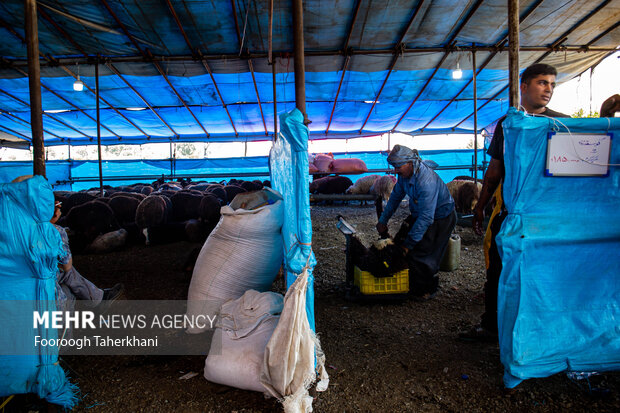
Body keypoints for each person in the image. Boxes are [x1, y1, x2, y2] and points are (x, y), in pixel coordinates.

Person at [459, 63, 569, 342]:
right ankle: (492, 326)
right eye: (542, 83)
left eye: (552, 85)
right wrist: (481, 206)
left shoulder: (562, 124)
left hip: (547, 214)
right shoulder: (508, 126)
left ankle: (539, 328)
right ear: (524, 86)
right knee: (498, 269)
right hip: (511, 212)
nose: (548, 89)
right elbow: (494, 171)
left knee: (544, 271)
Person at [376, 145, 456, 300]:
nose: (395, 171)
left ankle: (426, 289)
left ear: (411, 163)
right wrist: (383, 220)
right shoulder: (404, 176)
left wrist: (409, 244)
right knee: (401, 243)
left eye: (398, 167)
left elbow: (427, 218)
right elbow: (395, 198)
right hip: (421, 212)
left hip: (441, 217)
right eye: (394, 167)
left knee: (424, 250)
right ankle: (411, 282)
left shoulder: (426, 181)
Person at [50, 198, 124, 312]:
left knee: (66, 288)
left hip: (20, 281)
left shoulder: (19, 227)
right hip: (40, 282)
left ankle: (98, 298)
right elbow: (66, 266)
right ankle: (98, 299)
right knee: (67, 273)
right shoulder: (54, 231)